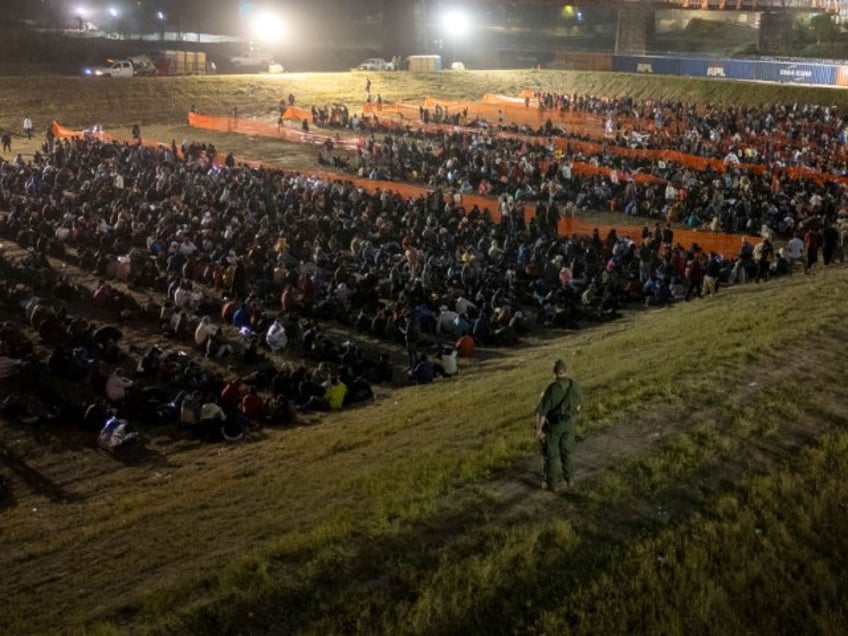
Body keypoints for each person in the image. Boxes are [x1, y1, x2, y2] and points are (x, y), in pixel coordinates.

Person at [534, 359, 582, 492]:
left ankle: (552, 484)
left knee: (551, 455)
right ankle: (570, 479)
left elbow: (541, 412)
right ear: (565, 371)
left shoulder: (552, 388)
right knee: (567, 452)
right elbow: (578, 406)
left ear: (553, 373)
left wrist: (538, 430)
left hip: (554, 426)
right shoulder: (575, 385)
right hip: (570, 424)